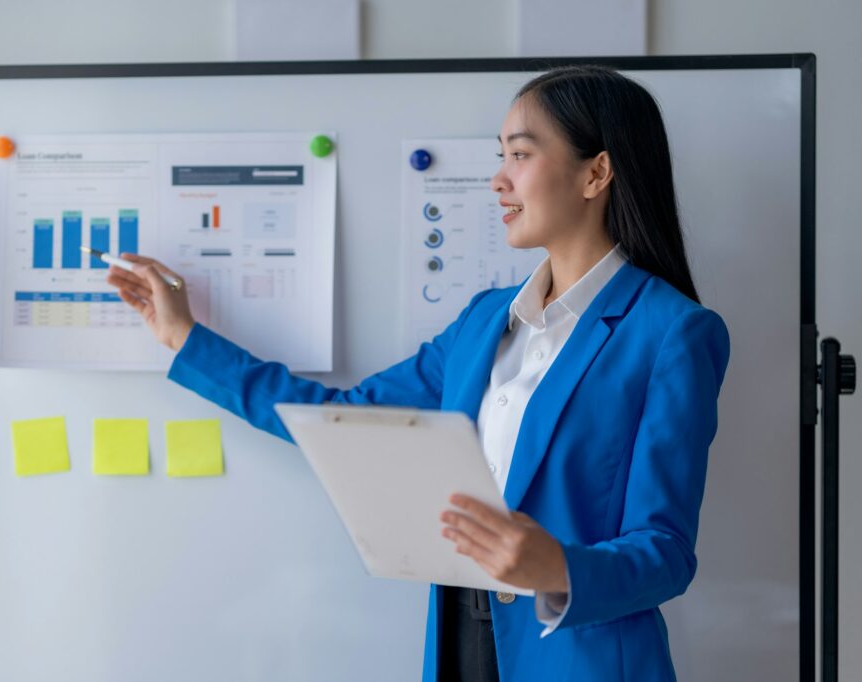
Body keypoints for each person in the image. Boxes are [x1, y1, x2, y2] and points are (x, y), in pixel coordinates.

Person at [106, 64, 731, 682]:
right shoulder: (485, 321)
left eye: (519, 154)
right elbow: (340, 419)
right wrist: (183, 336)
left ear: (596, 172)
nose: (497, 180)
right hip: (457, 635)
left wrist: (558, 567)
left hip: (580, 658)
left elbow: (666, 553)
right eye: (501, 156)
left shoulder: (672, 333)